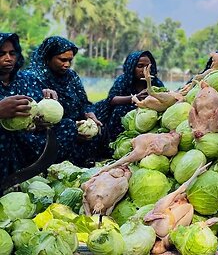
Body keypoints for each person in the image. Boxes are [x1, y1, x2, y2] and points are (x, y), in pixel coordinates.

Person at [0, 33, 77, 180]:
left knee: (67, 125)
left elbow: (38, 107)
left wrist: (47, 99)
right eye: (1, 54)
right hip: (6, 140)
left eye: (12, 53)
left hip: (29, 136)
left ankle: (45, 172)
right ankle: (8, 179)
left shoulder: (26, 78)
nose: (8, 58)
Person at [23, 36, 102, 166]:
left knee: (98, 126)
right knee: (68, 127)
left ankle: (83, 161)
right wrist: (72, 128)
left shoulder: (71, 76)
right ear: (48, 58)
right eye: (62, 60)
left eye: (70, 60)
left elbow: (84, 102)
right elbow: (32, 115)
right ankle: (53, 166)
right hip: (49, 130)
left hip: (77, 124)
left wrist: (89, 114)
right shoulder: (31, 77)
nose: (67, 65)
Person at [93, 50, 164, 144]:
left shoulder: (155, 82)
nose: (145, 70)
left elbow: (164, 98)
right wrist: (135, 98)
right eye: (140, 66)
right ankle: (115, 143)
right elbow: (112, 99)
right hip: (123, 111)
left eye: (148, 66)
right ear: (131, 67)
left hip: (146, 116)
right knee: (121, 110)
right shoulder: (123, 80)